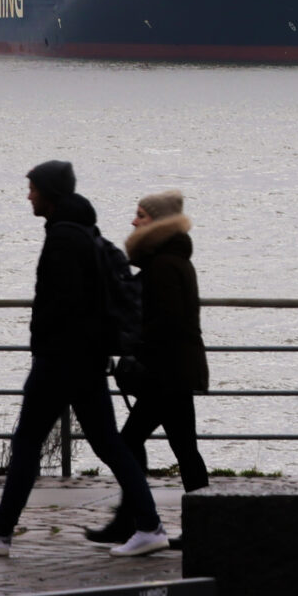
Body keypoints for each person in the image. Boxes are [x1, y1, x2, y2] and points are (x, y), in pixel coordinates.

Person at [0, 160, 165, 559]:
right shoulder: (84, 231)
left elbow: (64, 305)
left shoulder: (64, 239)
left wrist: (48, 348)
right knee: (109, 444)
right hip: (85, 360)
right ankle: (150, 525)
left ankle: (0, 531)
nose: (28, 195)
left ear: (49, 192)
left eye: (32, 188)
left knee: (28, 441)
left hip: (61, 360)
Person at [92, 191, 210, 543]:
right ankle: (198, 527)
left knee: (128, 444)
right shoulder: (172, 260)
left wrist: (131, 345)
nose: (133, 221)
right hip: (174, 371)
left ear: (157, 223)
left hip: (166, 374)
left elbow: (166, 323)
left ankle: (138, 523)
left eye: (141, 215)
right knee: (185, 450)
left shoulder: (163, 266)